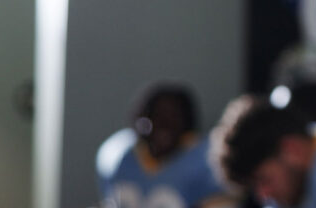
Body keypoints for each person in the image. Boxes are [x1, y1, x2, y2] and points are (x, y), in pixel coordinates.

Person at [96, 81, 234, 208]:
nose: (164, 126)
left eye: (174, 118)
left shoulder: (207, 161)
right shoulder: (119, 156)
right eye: (156, 116)